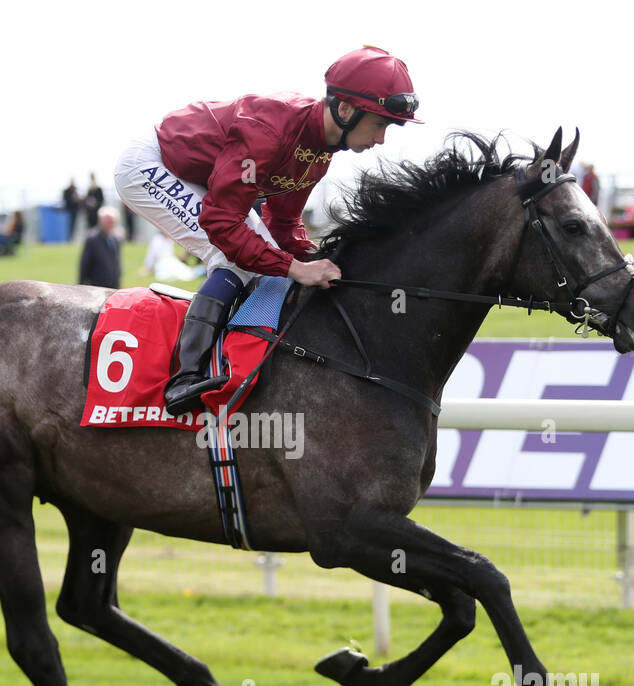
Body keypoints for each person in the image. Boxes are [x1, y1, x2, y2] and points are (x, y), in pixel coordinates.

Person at [114, 45, 419, 415]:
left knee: (269, 261)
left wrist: (323, 261)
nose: (382, 138)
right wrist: (297, 268)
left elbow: (285, 224)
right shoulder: (270, 132)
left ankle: (238, 357)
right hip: (153, 164)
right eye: (380, 123)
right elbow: (221, 223)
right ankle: (184, 378)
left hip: (203, 177)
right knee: (235, 258)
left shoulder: (321, 149)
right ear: (345, 109)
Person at [78, 206, 122, 288]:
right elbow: (85, 264)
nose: (111, 224)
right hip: (97, 287)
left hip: (113, 286)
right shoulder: (93, 238)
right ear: (100, 221)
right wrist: (81, 285)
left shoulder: (116, 239)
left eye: (112, 221)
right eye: (108, 221)